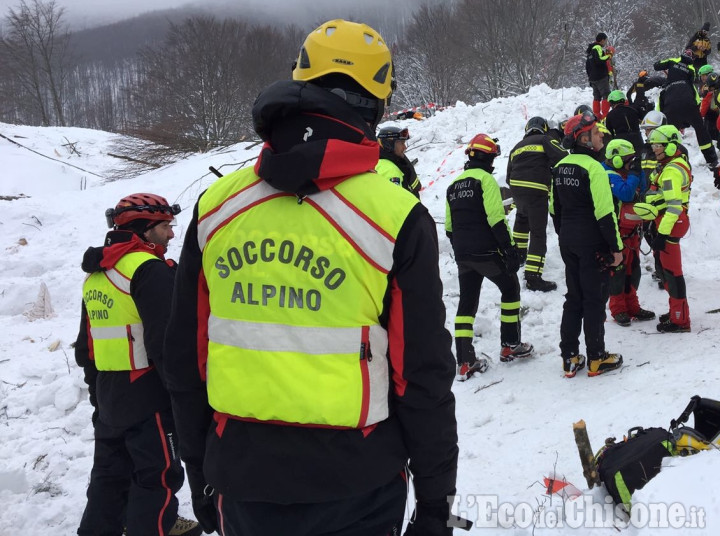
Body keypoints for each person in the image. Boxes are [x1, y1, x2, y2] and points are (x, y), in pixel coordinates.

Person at [163, 19, 461, 536]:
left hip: (242, 478)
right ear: (378, 106)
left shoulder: (216, 208)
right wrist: (435, 501)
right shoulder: (396, 216)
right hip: (359, 484)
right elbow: (423, 374)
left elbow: (186, 360)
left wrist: (202, 472)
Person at [75, 194, 201, 536]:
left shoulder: (98, 274)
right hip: (148, 392)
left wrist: (97, 394)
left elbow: (86, 345)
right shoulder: (149, 271)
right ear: (144, 230)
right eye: (165, 227)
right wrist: (182, 396)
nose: (172, 235)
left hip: (109, 391)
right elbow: (167, 344)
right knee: (157, 475)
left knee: (109, 473)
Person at [446, 133, 534, 380]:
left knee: (466, 305)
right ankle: (510, 345)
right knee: (510, 288)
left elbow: (450, 228)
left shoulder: (454, 185)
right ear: (487, 158)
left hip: (464, 255)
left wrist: (462, 251)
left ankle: (464, 361)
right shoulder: (485, 181)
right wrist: (509, 249)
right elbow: (496, 218)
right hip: (487, 252)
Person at [550, 112, 624, 378]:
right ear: (583, 138)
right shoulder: (594, 168)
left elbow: (554, 209)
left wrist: (565, 235)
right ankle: (596, 358)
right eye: (596, 132)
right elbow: (606, 213)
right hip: (592, 241)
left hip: (568, 240)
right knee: (593, 300)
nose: (601, 135)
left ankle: (569, 358)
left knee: (573, 299)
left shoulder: (559, 167)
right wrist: (616, 249)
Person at [506, 116, 567, 291]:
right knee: (538, 233)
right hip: (536, 190)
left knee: (522, 220)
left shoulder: (516, 147)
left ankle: (519, 256)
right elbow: (562, 156)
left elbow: (509, 174)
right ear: (544, 128)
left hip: (517, 190)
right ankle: (533, 277)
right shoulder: (544, 139)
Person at [601, 139, 656, 326]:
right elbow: (625, 193)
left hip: (632, 232)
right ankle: (618, 309)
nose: (631, 163)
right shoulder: (607, 174)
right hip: (617, 232)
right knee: (618, 271)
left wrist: (637, 171)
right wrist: (633, 173)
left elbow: (643, 187)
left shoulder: (627, 172)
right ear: (616, 159)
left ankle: (633, 306)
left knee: (634, 270)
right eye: (628, 159)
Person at [646, 125, 693, 333]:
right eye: (653, 144)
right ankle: (676, 310)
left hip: (671, 223)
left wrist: (662, 234)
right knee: (666, 271)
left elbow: (673, 207)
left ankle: (680, 319)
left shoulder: (671, 171)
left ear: (671, 146)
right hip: (670, 221)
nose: (654, 149)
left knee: (672, 273)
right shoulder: (673, 164)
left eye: (659, 145)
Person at [654, 50, 719, 169]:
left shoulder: (672, 62)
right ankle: (712, 160)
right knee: (701, 131)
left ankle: (667, 160)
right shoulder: (691, 70)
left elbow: (657, 65)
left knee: (669, 134)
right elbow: (696, 97)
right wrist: (694, 115)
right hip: (689, 103)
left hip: (671, 105)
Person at [376, 125, 422, 198]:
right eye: (401, 143)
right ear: (388, 145)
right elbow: (396, 201)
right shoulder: (390, 170)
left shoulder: (394, 160)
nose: (405, 147)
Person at [585, 32, 614, 118]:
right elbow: (599, 60)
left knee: (596, 97)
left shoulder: (590, 51)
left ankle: (596, 116)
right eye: (605, 40)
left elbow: (587, 66)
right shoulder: (597, 47)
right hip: (601, 77)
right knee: (606, 95)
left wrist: (590, 77)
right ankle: (605, 116)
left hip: (593, 78)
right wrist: (608, 56)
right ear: (602, 40)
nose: (605, 43)